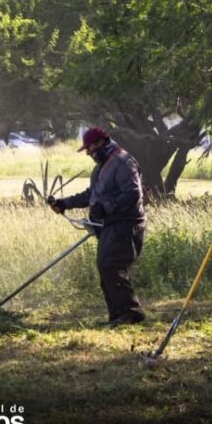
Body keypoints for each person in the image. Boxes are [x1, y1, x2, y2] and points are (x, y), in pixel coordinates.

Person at [48, 127, 146, 327]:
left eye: (91, 147)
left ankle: (131, 313)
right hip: (110, 225)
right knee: (106, 267)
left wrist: (106, 208)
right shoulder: (101, 167)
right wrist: (64, 203)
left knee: (111, 265)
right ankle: (118, 315)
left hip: (126, 224)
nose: (88, 152)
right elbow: (91, 195)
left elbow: (132, 194)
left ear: (102, 142)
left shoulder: (122, 162)